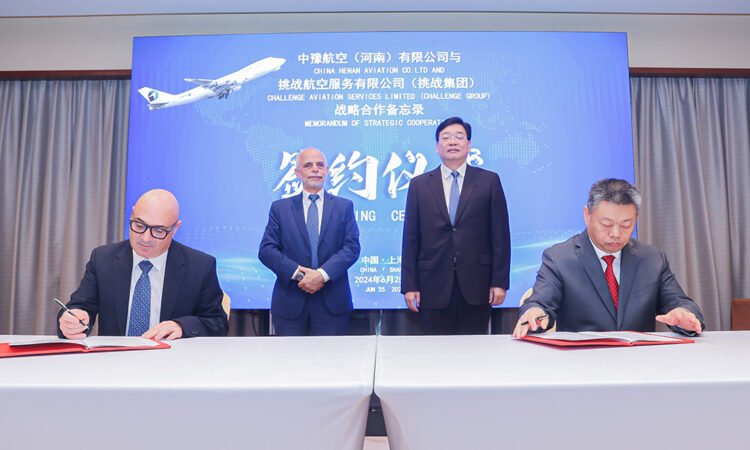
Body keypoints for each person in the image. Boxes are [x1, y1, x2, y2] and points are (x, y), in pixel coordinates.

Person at [513, 178, 704, 338]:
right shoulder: (559, 258)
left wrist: (684, 314)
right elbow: (540, 302)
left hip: (639, 361)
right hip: (580, 361)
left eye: (626, 224)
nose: (616, 233)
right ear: (587, 215)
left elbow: (680, 302)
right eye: (606, 224)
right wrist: (534, 313)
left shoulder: (652, 258)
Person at [58, 189, 228, 340]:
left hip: (172, 361)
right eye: (139, 225)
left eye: (159, 230)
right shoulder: (103, 259)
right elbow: (79, 307)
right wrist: (72, 320)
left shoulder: (199, 266)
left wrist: (181, 326)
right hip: (114, 359)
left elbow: (217, 323)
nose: (145, 238)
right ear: (132, 215)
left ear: (175, 228)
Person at [401, 117, 511, 334]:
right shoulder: (419, 185)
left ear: (468, 145)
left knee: (474, 349)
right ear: (437, 146)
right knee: (435, 350)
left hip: (477, 285)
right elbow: (411, 239)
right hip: (431, 285)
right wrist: (409, 285)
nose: (452, 142)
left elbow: (500, 236)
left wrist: (499, 282)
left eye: (459, 137)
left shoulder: (489, 181)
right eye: (446, 137)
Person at [259, 147, 360, 336]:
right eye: (308, 165)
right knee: (290, 356)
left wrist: (321, 275)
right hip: (290, 304)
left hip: (332, 304)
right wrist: (300, 275)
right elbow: (267, 250)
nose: (315, 169)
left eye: (320, 165)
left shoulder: (344, 206)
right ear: (298, 173)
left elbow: (351, 249)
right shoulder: (280, 208)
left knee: (332, 356)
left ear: (327, 171)